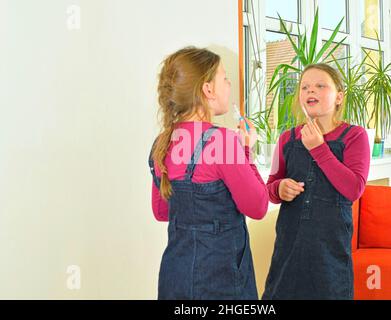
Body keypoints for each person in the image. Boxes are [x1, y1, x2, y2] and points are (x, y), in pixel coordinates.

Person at [149, 47, 268, 300]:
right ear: (208, 89)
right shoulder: (222, 141)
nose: (228, 84)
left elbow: (162, 212)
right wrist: (246, 150)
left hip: (175, 276)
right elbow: (258, 206)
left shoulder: (162, 143)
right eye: (224, 78)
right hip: (221, 280)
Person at [262, 63, 371, 300]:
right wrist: (279, 188)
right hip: (289, 248)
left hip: (329, 252)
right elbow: (269, 189)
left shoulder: (355, 136)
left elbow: (353, 189)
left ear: (339, 96)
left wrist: (319, 148)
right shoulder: (286, 139)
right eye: (305, 87)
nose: (311, 91)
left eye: (320, 85)